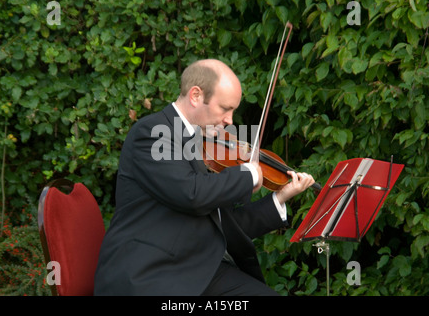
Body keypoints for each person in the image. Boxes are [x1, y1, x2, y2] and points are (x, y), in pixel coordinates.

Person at [94, 59, 315, 296]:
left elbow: (219, 225)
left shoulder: (201, 143)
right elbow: (193, 194)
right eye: (225, 108)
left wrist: (280, 197)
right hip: (150, 277)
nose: (230, 120)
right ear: (196, 96)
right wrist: (248, 174)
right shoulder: (151, 134)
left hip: (196, 270)